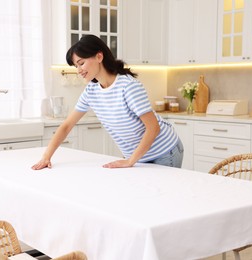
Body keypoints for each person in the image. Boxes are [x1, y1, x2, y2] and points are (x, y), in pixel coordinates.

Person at [32, 34, 183, 170]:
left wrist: (130, 161)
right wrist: (46, 157)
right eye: (76, 66)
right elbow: (66, 126)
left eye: (81, 63)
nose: (79, 70)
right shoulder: (91, 91)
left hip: (164, 152)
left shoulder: (128, 87)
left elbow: (153, 128)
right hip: (138, 157)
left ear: (99, 57)